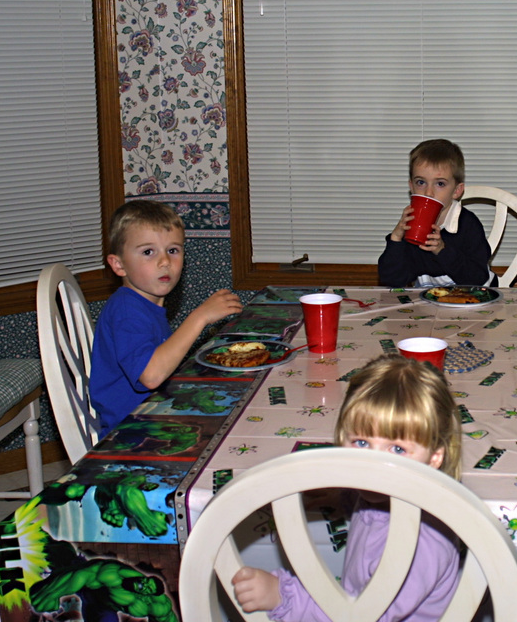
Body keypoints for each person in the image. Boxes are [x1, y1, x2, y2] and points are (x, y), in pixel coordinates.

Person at [232, 355, 463, 621]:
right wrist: (344, 495)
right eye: (362, 443)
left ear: (434, 457)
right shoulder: (385, 494)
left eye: (397, 449)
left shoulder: (422, 543)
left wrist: (282, 597)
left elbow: (364, 616)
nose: (371, 465)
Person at [91, 200, 243, 435]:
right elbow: (151, 376)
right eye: (148, 252)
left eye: (173, 250)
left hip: (156, 413)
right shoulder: (126, 311)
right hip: (132, 431)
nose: (164, 262)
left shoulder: (144, 304)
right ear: (119, 265)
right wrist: (199, 317)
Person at [377, 139, 495, 288]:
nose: (428, 192)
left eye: (440, 184)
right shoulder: (412, 225)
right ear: (411, 187)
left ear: (457, 190)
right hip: (429, 298)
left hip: (475, 294)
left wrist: (442, 250)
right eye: (421, 182)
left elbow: (477, 277)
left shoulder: (467, 224)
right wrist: (396, 239)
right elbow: (391, 279)